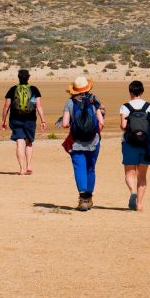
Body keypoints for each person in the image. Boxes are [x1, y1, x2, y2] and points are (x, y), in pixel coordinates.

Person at [60, 76, 104, 211]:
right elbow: (101, 122)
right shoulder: (94, 100)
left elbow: (65, 124)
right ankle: (89, 199)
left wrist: (75, 124)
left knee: (79, 169)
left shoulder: (69, 103)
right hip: (93, 141)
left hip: (76, 142)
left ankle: (83, 199)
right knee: (91, 169)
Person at [119, 80, 150, 211]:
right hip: (146, 144)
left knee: (129, 172)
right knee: (142, 175)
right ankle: (139, 204)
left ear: (130, 92)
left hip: (129, 143)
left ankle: (132, 192)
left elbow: (123, 126)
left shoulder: (125, 107)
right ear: (142, 92)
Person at [1, 69, 45, 175]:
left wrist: (3, 120)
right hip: (30, 120)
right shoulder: (34, 89)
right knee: (28, 142)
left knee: (20, 143)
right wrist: (43, 120)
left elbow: (6, 106)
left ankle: (21, 169)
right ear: (28, 78)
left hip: (15, 119)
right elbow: (38, 106)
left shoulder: (12, 89)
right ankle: (29, 166)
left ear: (18, 77)